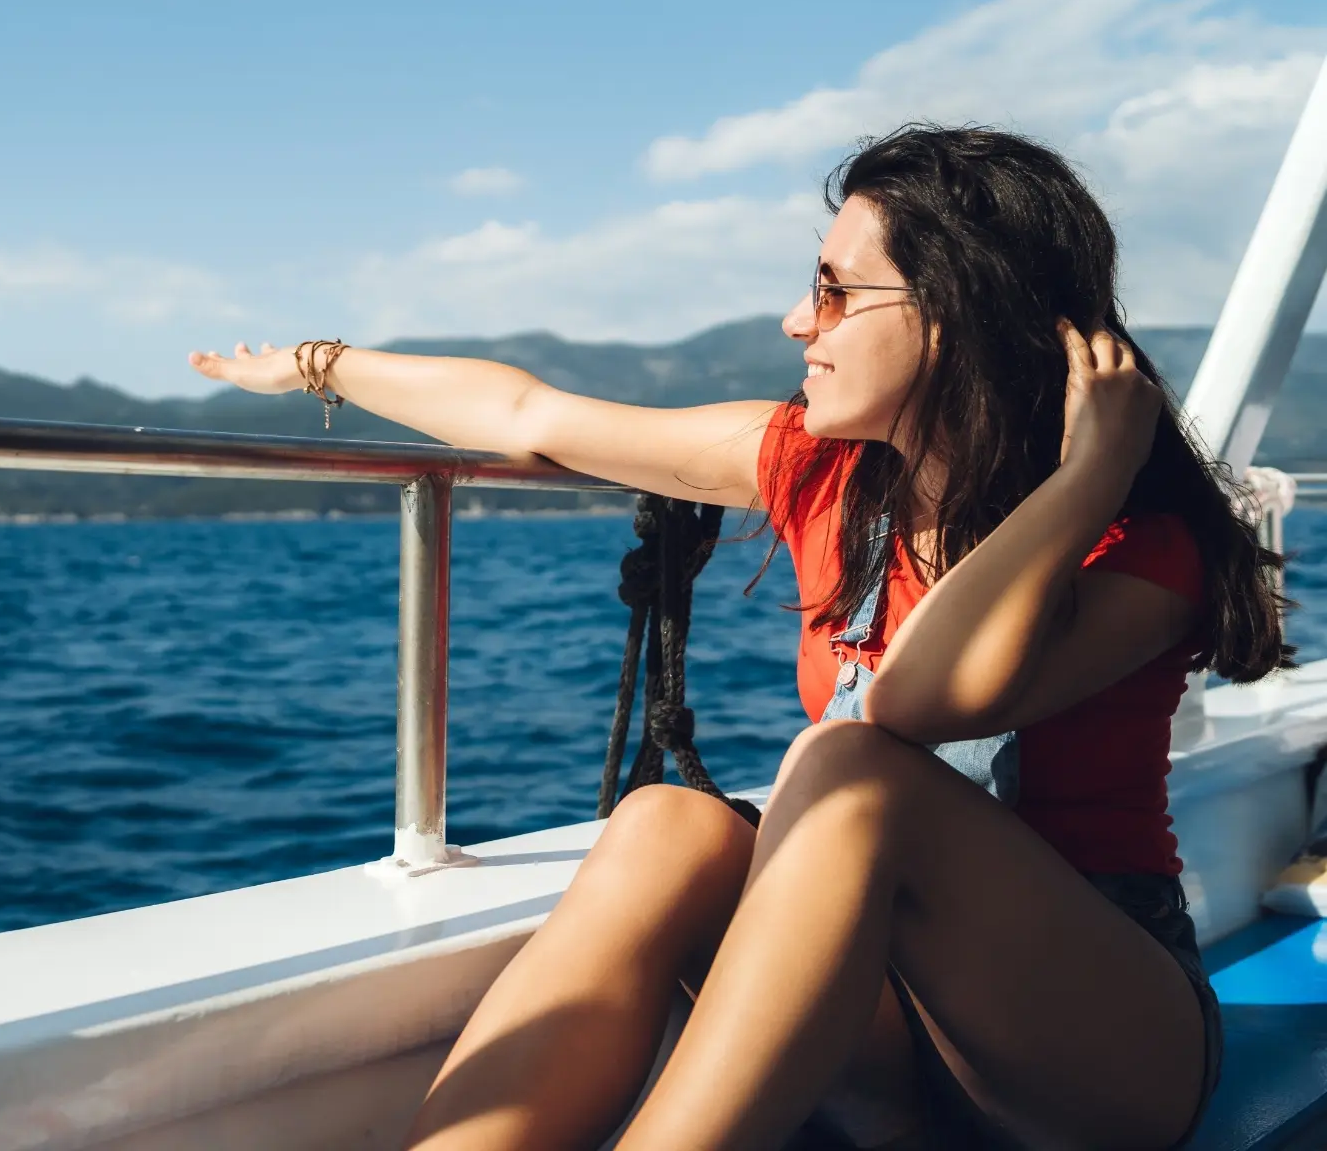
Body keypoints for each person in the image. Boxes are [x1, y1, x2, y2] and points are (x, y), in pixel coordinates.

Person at [187, 124, 1289, 1150]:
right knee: (666, 823)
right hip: (890, 1038)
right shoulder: (823, 477)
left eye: (835, 292)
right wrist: (316, 365)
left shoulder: (1139, 545)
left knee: (855, 769)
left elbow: (920, 702)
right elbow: (531, 415)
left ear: (951, 313)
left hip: (1097, 1057)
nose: (798, 323)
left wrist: (1085, 480)